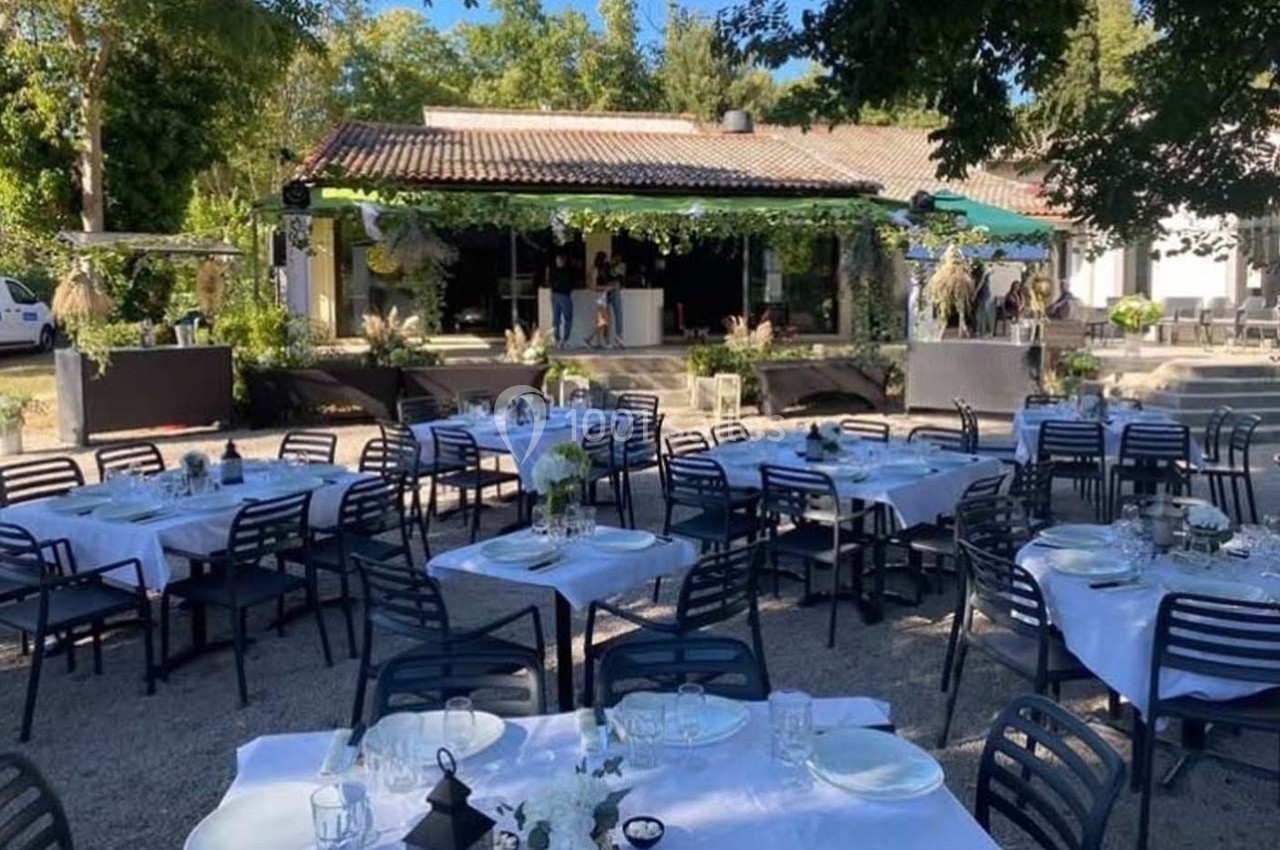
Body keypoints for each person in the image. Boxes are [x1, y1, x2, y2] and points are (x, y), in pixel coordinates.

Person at [548, 251, 575, 348]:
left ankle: (557, 340)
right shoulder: (567, 271)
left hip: (555, 295)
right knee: (568, 318)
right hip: (564, 295)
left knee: (556, 319)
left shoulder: (553, 271)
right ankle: (565, 340)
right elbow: (571, 282)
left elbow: (549, 282)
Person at [606, 250, 626, 348]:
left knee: (617, 315)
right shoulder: (609, 267)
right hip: (610, 291)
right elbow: (614, 275)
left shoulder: (616, 267)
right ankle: (611, 339)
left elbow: (621, 278)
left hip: (613, 291)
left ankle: (617, 337)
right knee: (612, 316)